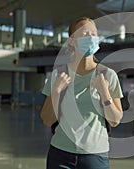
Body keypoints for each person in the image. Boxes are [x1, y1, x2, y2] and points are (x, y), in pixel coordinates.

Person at [40, 17, 124, 169]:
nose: (91, 37)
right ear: (72, 41)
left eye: (94, 33)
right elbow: (47, 120)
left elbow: (115, 120)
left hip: (95, 156)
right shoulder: (58, 75)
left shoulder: (107, 75)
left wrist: (105, 93)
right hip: (60, 154)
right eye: (85, 33)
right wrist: (56, 91)